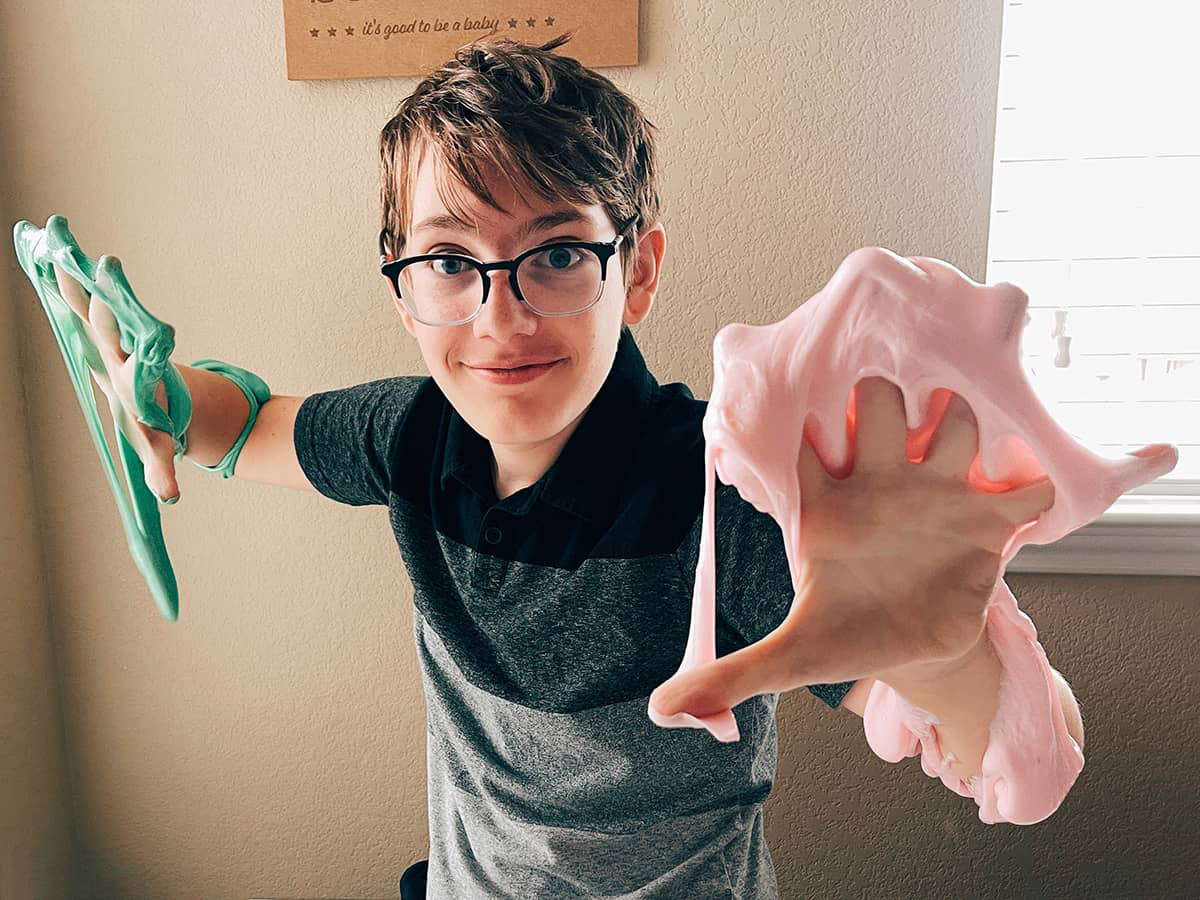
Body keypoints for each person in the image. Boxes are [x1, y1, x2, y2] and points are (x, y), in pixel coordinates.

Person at [98, 32, 1082, 898]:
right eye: (448, 263)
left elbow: (1015, 755)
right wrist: (163, 396)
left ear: (638, 270)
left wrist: (949, 653)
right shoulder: (408, 436)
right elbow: (249, 425)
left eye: (557, 254)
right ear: (403, 291)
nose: (500, 316)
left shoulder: (728, 504)